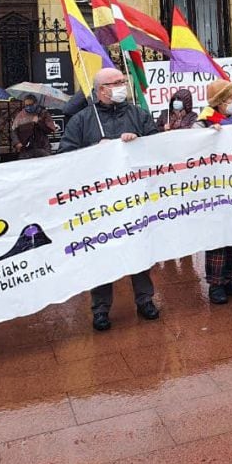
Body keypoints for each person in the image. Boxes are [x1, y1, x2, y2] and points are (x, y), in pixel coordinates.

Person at [59, 69, 161, 331]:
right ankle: (101, 309)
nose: (122, 87)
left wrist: (138, 142)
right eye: (116, 84)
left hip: (134, 198)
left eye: (123, 82)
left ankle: (145, 300)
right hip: (98, 203)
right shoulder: (82, 120)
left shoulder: (138, 114)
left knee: (139, 248)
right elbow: (65, 156)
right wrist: (94, 151)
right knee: (101, 253)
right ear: (101, 89)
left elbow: (158, 146)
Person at [193, 80, 232, 304]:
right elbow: (193, 149)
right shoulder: (202, 124)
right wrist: (209, 135)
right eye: (229, 99)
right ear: (218, 103)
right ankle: (215, 284)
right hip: (214, 190)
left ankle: (231, 279)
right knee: (218, 237)